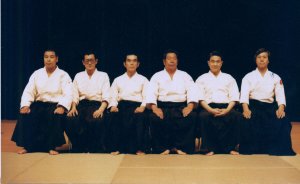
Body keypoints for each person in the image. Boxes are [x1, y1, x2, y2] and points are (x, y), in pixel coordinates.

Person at [11, 49, 73, 155]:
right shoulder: (37, 73)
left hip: (55, 104)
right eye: (46, 57)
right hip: (39, 103)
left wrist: (62, 106)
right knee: (28, 113)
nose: (48, 59)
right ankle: (28, 147)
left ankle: (51, 147)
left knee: (53, 115)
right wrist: (25, 105)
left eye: (51, 57)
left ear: (57, 59)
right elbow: (29, 90)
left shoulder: (63, 75)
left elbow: (68, 93)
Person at [239, 48, 295, 155]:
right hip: (253, 106)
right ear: (256, 60)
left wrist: (281, 108)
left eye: (264, 57)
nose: (261, 60)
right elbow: (244, 95)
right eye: (259, 57)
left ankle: (276, 149)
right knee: (246, 119)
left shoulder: (275, 77)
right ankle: (251, 149)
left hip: (270, 107)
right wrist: (246, 109)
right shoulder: (248, 76)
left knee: (283, 120)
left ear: (268, 60)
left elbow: (280, 95)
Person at [146, 50, 198, 155]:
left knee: (191, 116)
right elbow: (151, 93)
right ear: (164, 62)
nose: (172, 61)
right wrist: (155, 108)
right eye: (169, 58)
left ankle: (181, 147)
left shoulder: (185, 75)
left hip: (180, 106)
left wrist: (190, 106)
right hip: (162, 106)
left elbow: (192, 91)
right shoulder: (157, 76)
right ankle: (161, 148)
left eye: (174, 58)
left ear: (177, 61)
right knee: (154, 117)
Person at [196, 51, 241, 156]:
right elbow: (200, 99)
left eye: (217, 61)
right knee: (203, 116)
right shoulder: (201, 79)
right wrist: (210, 110)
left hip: (226, 107)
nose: (215, 64)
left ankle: (230, 148)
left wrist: (227, 110)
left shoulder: (229, 78)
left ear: (221, 63)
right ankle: (208, 148)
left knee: (236, 116)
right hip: (208, 107)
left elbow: (234, 97)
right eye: (212, 61)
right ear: (208, 63)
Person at [66, 51, 110, 153]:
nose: (89, 63)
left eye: (92, 60)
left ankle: (95, 147)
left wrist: (101, 109)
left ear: (96, 61)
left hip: (97, 104)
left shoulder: (103, 75)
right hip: (81, 105)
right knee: (70, 119)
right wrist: (73, 108)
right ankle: (79, 146)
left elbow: (106, 95)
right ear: (83, 62)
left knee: (96, 120)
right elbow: (75, 95)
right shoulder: (78, 76)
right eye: (87, 61)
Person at [106, 54, 149, 155]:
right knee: (113, 116)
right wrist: (113, 106)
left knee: (140, 117)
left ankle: (140, 148)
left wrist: (142, 106)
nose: (132, 63)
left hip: (137, 106)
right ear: (124, 64)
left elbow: (147, 96)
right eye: (129, 61)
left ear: (138, 64)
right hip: (122, 106)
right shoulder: (118, 80)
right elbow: (113, 95)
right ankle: (116, 148)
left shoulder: (143, 79)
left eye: (134, 61)